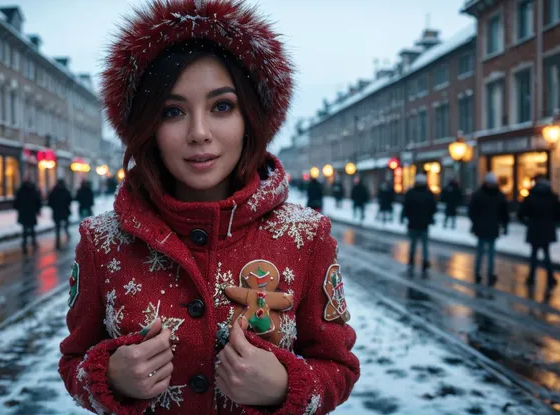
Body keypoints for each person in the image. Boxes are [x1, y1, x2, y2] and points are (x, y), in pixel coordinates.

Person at [59, 2, 360, 414]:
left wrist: (285, 387)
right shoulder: (102, 242)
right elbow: (73, 361)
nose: (199, 133)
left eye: (221, 106)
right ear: (148, 127)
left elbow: (338, 368)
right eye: (173, 111)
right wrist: (108, 376)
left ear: (249, 118)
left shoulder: (306, 236)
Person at [518, 175, 560, 286]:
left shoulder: (531, 196)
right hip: (547, 229)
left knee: (534, 254)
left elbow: (521, 213)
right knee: (546, 254)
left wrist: (527, 222)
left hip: (534, 228)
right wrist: (554, 224)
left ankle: (531, 277)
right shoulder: (552, 197)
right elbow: (559, 215)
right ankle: (550, 277)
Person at [468, 172, 509, 286]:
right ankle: (487, 273)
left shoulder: (478, 195)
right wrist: (504, 225)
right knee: (489, 252)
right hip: (491, 227)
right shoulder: (498, 195)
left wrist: (475, 222)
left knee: (482, 251)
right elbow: (504, 212)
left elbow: (472, 211)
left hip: (483, 227)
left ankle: (479, 272)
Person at [401, 174, 437, 275]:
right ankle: (425, 261)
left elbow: (406, 207)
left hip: (413, 223)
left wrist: (405, 216)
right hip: (424, 224)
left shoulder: (411, 193)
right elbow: (433, 208)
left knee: (413, 244)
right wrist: (430, 217)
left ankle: (411, 261)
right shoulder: (428, 193)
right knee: (425, 245)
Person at [13, 178, 42, 254]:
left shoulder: (21, 191)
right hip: (31, 213)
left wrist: (19, 208)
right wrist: (37, 210)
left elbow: (16, 203)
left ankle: (25, 242)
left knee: (25, 228)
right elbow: (38, 202)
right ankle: (32, 242)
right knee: (31, 228)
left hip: (24, 213)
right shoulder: (33, 191)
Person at [48, 178, 73, 250]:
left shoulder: (54, 191)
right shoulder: (65, 191)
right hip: (63, 211)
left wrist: (54, 207)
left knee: (58, 227)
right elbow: (70, 200)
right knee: (63, 225)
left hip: (58, 212)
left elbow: (50, 202)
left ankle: (58, 241)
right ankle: (63, 236)